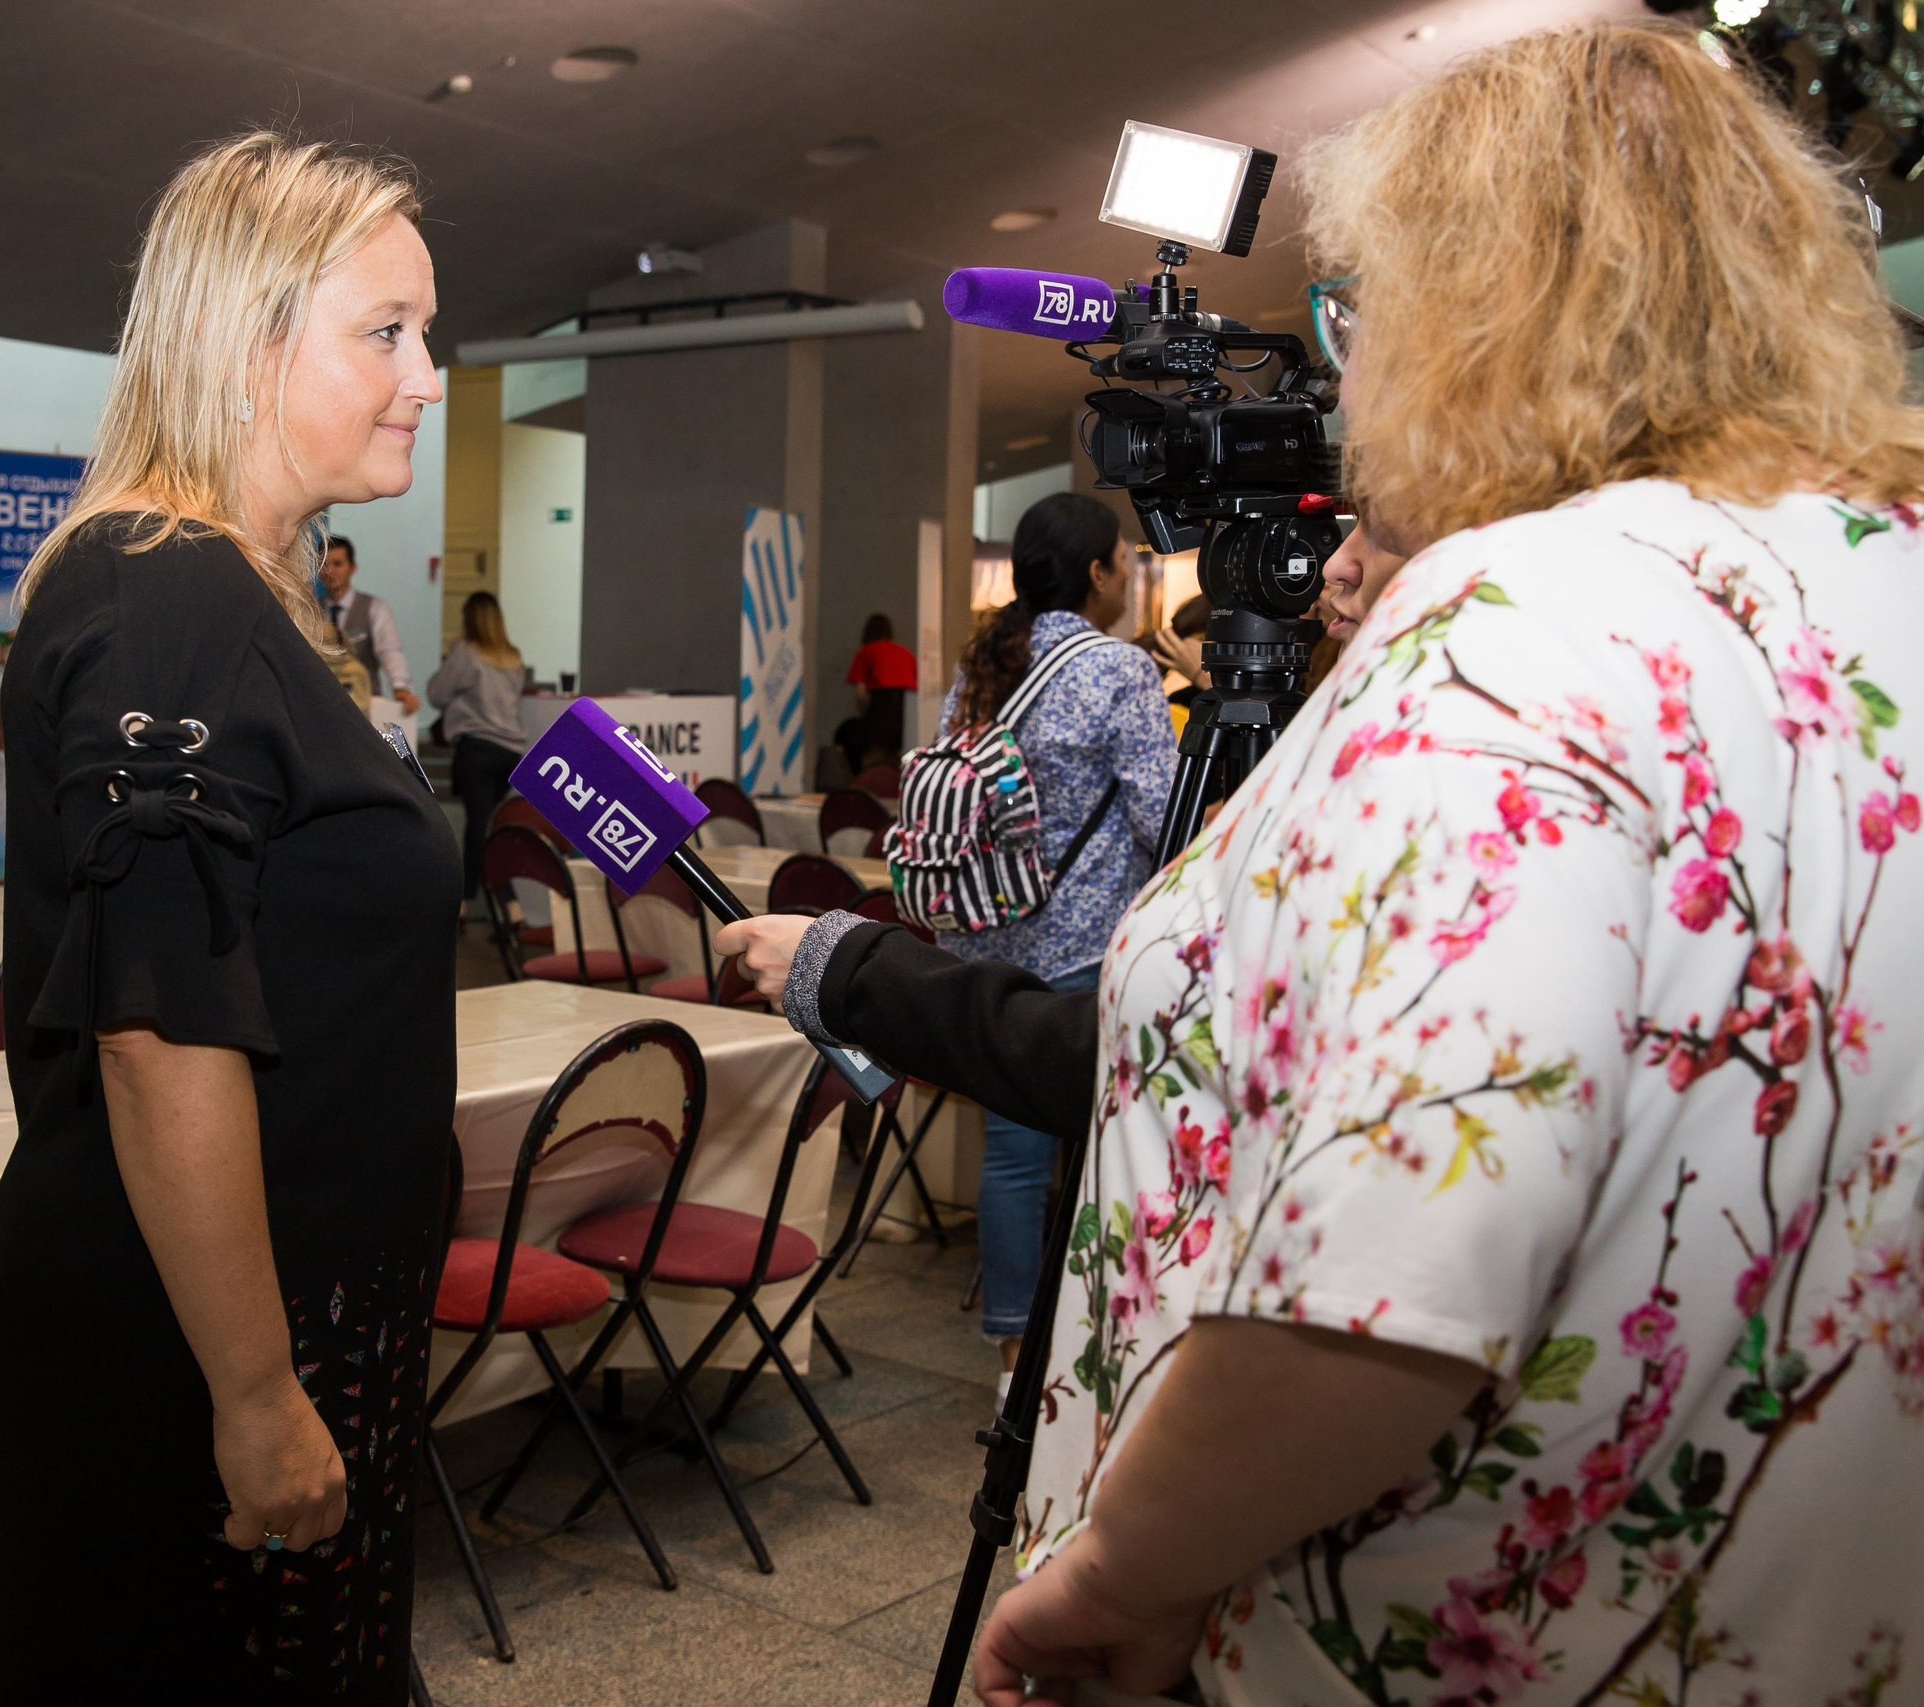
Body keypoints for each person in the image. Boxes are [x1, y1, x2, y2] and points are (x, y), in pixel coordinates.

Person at [719, 24, 1924, 1704]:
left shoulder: (1522, 633)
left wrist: (1127, 1573)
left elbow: (1389, 1283)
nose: (1347, 378)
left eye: (1361, 315)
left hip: (1450, 1629)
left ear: (1469, 318)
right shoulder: (1878, 593)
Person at [0, 131, 454, 1702]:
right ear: (244, 347)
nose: (429, 376)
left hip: (266, 1313)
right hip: (197, 1342)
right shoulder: (167, 592)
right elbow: (157, 1027)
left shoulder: (219, 590)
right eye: (386, 332)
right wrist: (254, 1393)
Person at [937, 492, 1175, 1407]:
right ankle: (1089, 1353)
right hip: (1078, 946)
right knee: (1094, 1160)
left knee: (1012, 1158)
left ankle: (1010, 1376)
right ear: (1095, 573)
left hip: (986, 941)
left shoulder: (986, 662)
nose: (1126, 574)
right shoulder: (1118, 668)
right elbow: (1160, 818)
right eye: (1120, 559)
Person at [426, 591, 527, 914]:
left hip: (478, 751)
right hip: (512, 754)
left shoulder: (467, 653)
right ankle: (508, 906)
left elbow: (436, 693)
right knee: (490, 829)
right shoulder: (514, 658)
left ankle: (467, 903)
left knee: (476, 829)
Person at [320, 533, 420, 714]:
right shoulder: (309, 610)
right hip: (321, 705)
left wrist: (401, 687)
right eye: (323, 565)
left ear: (353, 567)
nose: (330, 571)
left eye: (337, 564)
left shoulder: (374, 608)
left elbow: (389, 650)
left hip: (365, 704)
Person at [844, 611, 918, 770]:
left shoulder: (866, 652)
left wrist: (866, 717)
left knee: (873, 758)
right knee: (899, 759)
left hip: (881, 708)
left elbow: (861, 694)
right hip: (907, 710)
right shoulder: (906, 653)